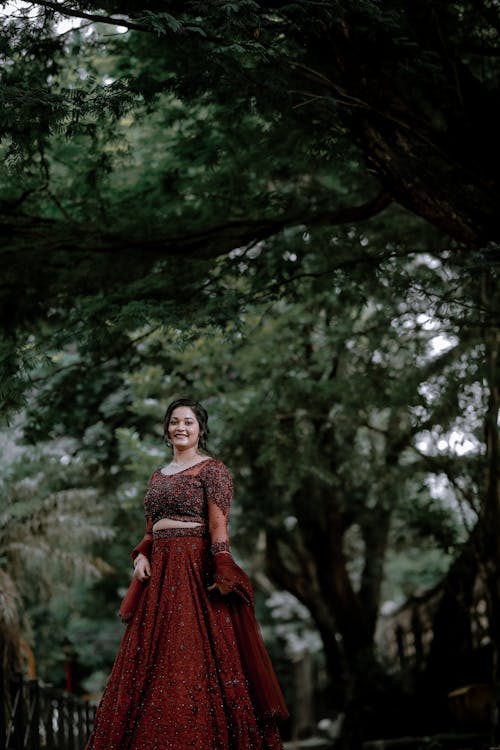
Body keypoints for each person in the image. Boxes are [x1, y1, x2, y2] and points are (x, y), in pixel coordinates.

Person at [85, 398, 288, 750]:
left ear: (200, 429)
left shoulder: (213, 470)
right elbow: (149, 532)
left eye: (189, 422)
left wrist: (222, 564)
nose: (181, 427)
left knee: (192, 654)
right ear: (166, 428)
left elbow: (218, 526)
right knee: (149, 658)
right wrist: (140, 557)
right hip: (159, 574)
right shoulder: (157, 476)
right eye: (175, 421)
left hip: (194, 569)